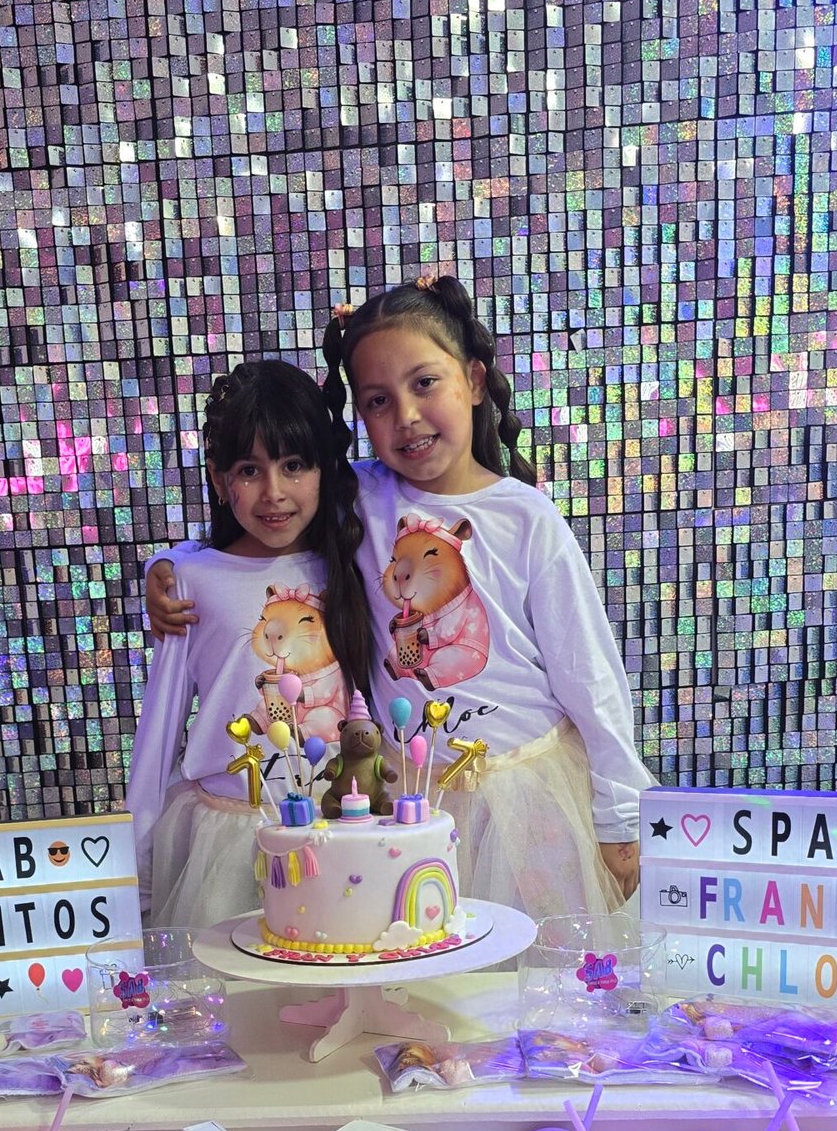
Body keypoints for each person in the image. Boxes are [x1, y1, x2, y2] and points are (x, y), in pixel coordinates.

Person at [149, 278, 652, 915]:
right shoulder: (358, 496)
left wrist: (619, 814)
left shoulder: (527, 518)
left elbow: (591, 678)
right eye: (378, 401)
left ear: (474, 380)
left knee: (529, 963)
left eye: (425, 383)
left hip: (526, 795)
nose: (406, 416)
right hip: (405, 804)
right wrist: (170, 564)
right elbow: (261, 524)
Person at [125, 359, 374, 928]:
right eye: (249, 470)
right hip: (229, 840)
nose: (274, 492)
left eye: (294, 466)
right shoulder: (191, 581)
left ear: (323, 469)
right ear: (218, 480)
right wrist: (134, 876)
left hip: (348, 832)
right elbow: (158, 733)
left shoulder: (353, 561)